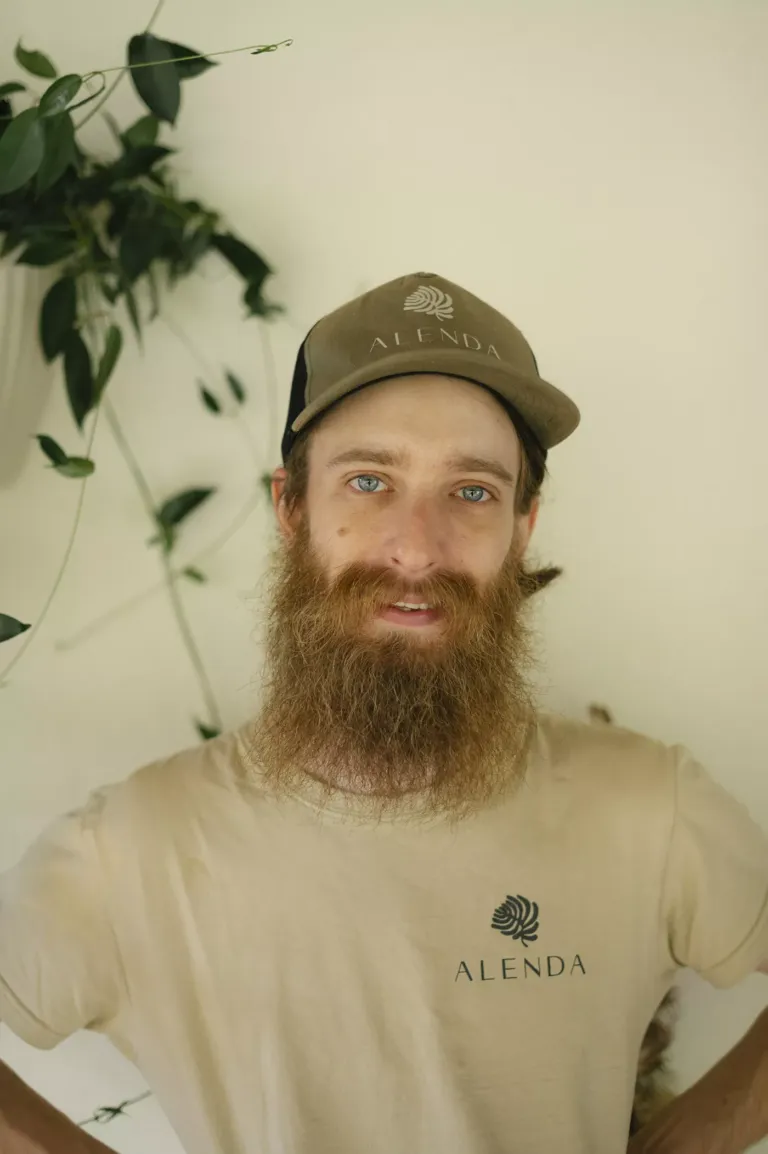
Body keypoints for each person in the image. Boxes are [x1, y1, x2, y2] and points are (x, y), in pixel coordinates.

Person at [1, 272, 766, 1154]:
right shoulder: (132, 850)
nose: (416, 546)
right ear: (291, 505)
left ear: (523, 528)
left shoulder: (650, 808)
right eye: (369, 481)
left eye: (472, 491)